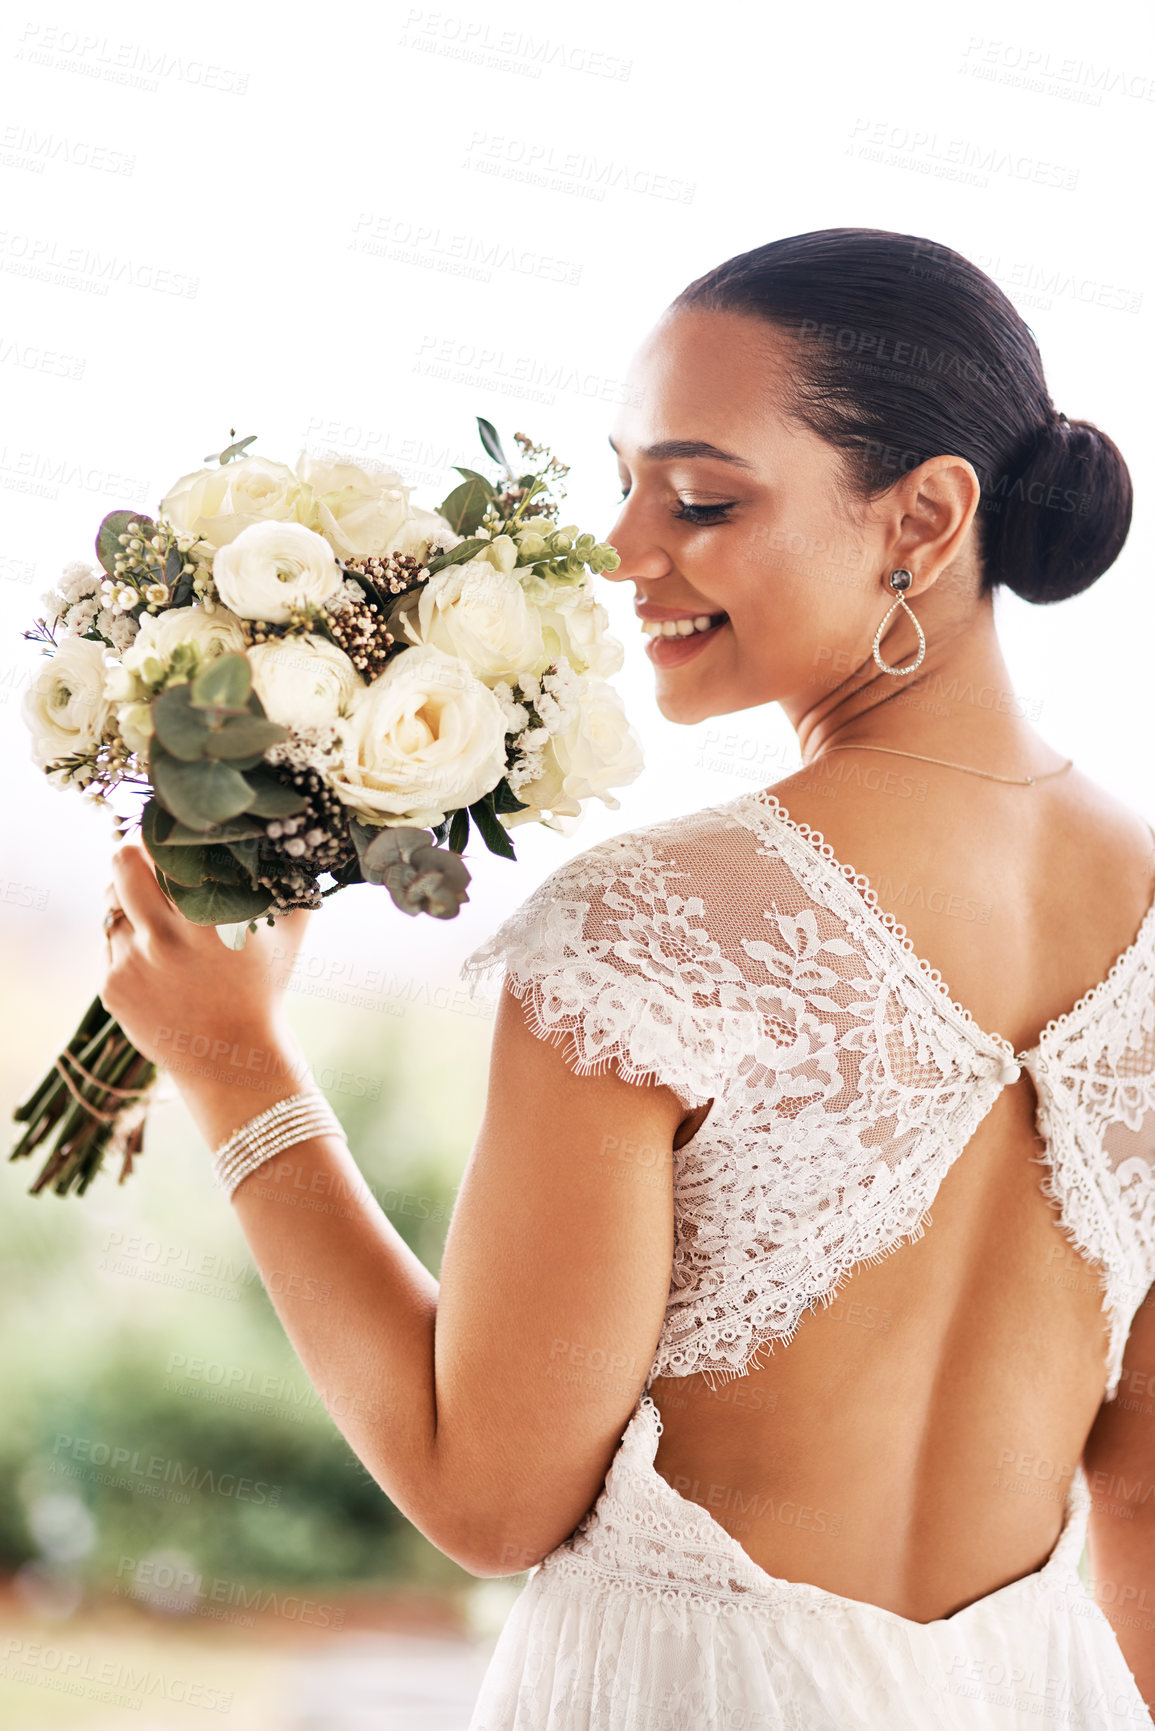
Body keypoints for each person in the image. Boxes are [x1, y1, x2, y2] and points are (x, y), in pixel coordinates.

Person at [101, 229, 1155, 1729]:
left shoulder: (655, 924)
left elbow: (489, 1497)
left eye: (704, 498)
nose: (621, 550)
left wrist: (234, 1067)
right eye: (627, 484)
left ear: (923, 517)